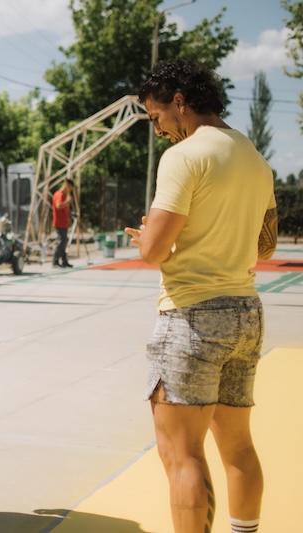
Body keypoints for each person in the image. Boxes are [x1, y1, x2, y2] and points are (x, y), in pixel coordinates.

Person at [125, 58, 277, 533]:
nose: (158, 130)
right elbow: (266, 244)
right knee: (239, 448)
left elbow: (153, 252)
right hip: (246, 312)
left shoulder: (184, 156)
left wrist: (149, 234)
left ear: (179, 101)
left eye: (156, 117)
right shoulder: (253, 155)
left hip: (192, 316)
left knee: (182, 454)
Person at [51, 178, 74, 268]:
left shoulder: (63, 195)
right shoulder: (59, 194)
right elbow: (58, 205)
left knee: (64, 241)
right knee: (61, 241)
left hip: (64, 222)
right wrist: (67, 202)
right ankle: (55, 261)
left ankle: (64, 261)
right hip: (59, 221)